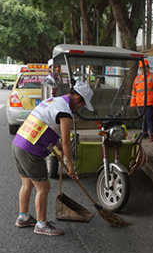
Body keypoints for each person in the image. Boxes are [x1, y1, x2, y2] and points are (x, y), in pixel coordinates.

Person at [13, 82, 94, 235]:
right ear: (77, 98)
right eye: (82, 105)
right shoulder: (65, 113)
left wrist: (56, 144)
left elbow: (45, 124)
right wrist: (71, 166)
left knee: (27, 184)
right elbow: (66, 142)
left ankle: (23, 217)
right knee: (43, 188)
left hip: (19, 143)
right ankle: (41, 225)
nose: (81, 108)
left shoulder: (51, 101)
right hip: (31, 150)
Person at [130, 60, 153, 141]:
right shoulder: (137, 78)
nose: (143, 69)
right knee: (142, 118)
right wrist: (133, 103)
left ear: (148, 68)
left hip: (150, 102)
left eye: (145, 67)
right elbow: (134, 91)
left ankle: (151, 134)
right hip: (140, 103)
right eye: (141, 68)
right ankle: (144, 132)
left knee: (149, 118)